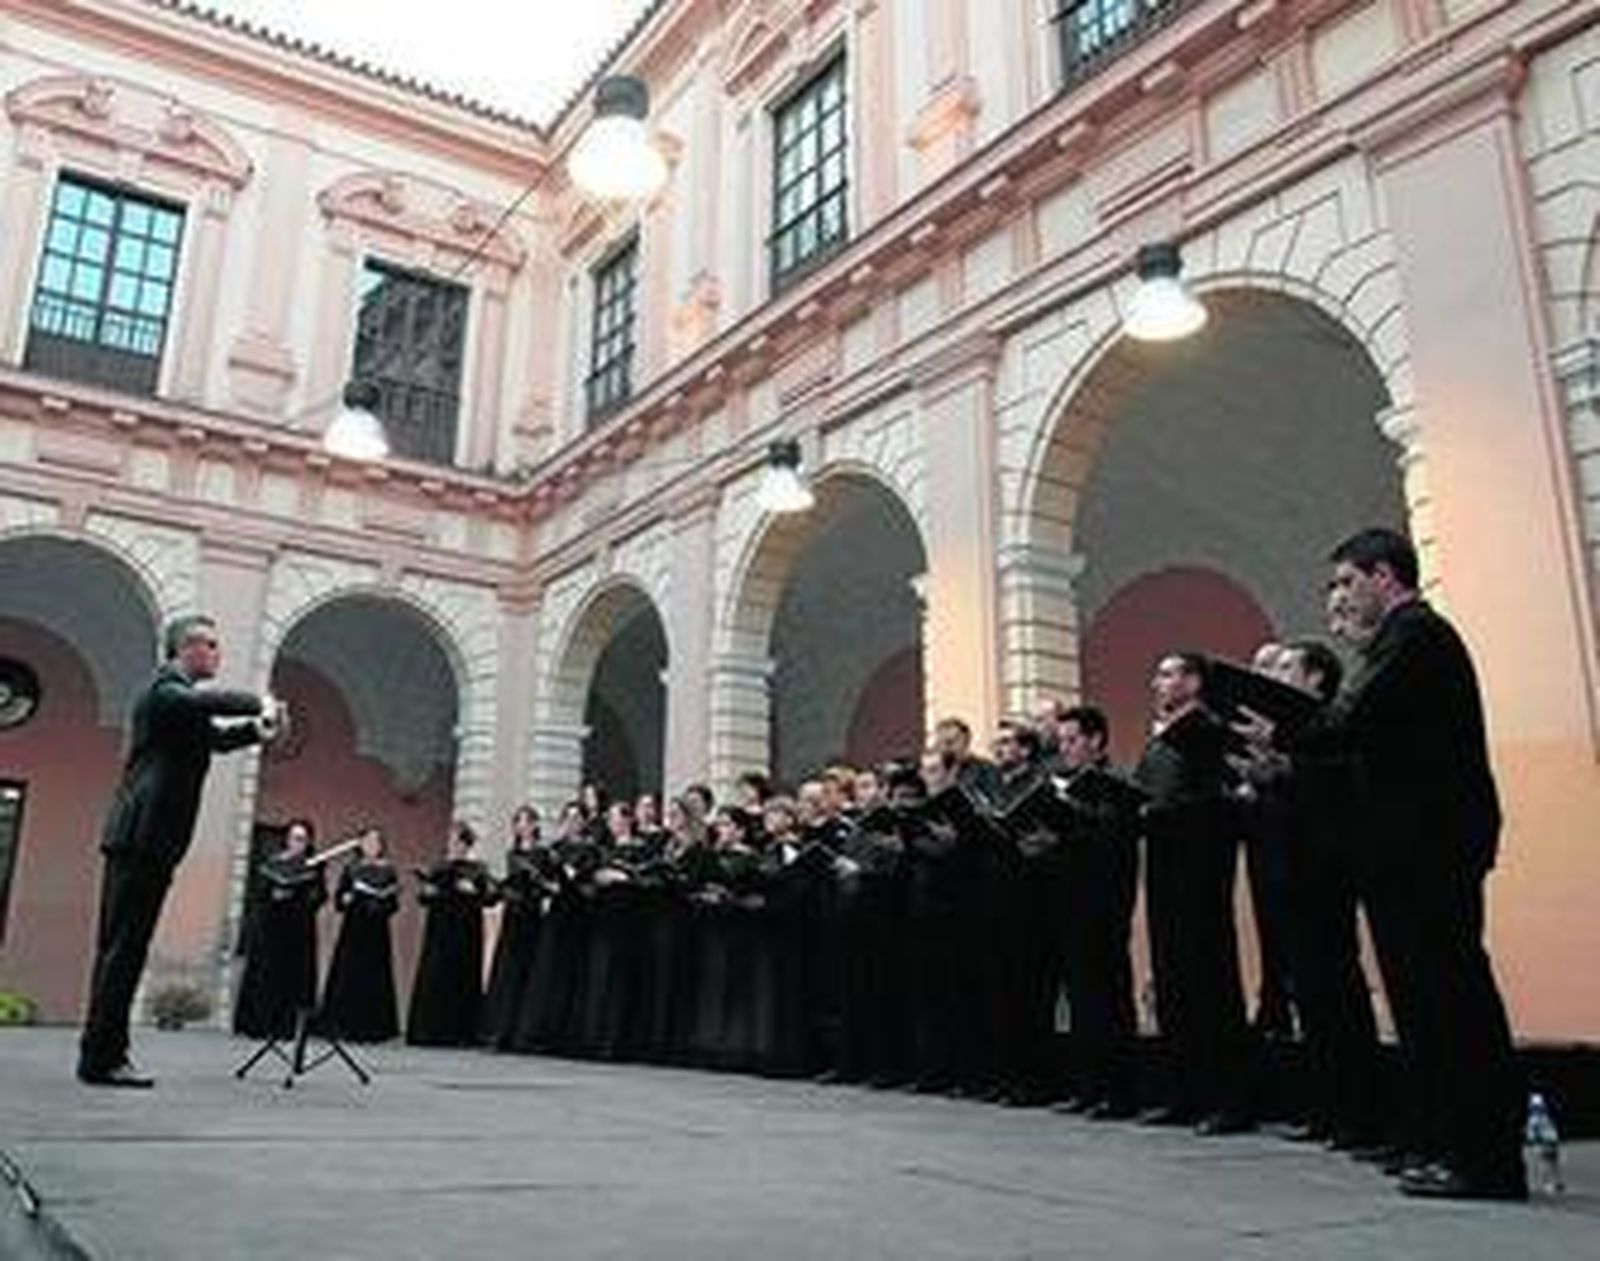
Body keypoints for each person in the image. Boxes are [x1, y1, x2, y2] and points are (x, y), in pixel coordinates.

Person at [1256, 528, 1525, 1199]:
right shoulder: (1398, 641)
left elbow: (1348, 721)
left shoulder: (1414, 635)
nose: (1336, 598)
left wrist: (1280, 729)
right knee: (1422, 1000)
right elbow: (1359, 746)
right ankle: (1443, 1141)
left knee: (1447, 997)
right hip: (1401, 843)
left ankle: (1485, 1155)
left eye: (1345, 581)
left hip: (1427, 842)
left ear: (1385, 575)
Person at [78, 614, 281, 1088]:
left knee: (122, 951)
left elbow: (218, 738)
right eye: (210, 645)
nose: (217, 653)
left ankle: (101, 1054)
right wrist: (259, 701)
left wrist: (260, 731)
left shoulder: (183, 708)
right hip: (141, 837)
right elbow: (207, 703)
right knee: (122, 952)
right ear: (185, 649)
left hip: (150, 840)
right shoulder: (165, 690)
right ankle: (104, 1058)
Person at [1134, 653, 1252, 1133]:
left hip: (1200, 866)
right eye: (1158, 673)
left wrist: (1168, 810)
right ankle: (1184, 1092)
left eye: (1169, 673)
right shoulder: (1159, 739)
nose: (1159, 682)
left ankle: (1226, 1099)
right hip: (1162, 865)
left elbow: (1223, 799)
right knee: (1173, 978)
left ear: (1195, 681)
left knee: (1210, 979)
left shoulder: (1211, 732)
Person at [1053, 705, 1142, 1118]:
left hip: (1104, 902)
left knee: (1109, 992)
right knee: (1081, 995)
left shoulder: (1116, 784)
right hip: (1069, 899)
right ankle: (1089, 1087)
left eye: (1072, 740)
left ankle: (1119, 1089)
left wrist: (1080, 820)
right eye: (1062, 741)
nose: (1065, 749)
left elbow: (1116, 845)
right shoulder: (1063, 786)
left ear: (1096, 741)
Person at [407, 822, 498, 1047]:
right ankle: (431, 1031)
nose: (453, 845)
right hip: (440, 928)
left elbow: (490, 899)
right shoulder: (439, 867)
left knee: (462, 977)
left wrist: (473, 890)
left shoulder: (478, 869)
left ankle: (460, 1033)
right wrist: (427, 891)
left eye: (458, 841)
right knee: (436, 975)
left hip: (465, 930)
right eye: (451, 841)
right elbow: (424, 899)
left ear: (467, 844)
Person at [232, 818, 325, 1039]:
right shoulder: (272, 863)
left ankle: (283, 1029)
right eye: (294, 838)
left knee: (290, 981)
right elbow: (259, 895)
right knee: (265, 978)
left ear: (308, 842)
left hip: (297, 934)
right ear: (287, 839)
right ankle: (258, 1026)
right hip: (270, 931)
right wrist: (275, 896)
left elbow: (320, 896)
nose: (297, 843)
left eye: (302, 839)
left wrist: (306, 894)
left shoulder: (313, 867)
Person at [319, 825, 401, 1043]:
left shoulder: (388, 870)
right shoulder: (351, 868)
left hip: (377, 931)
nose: (372, 846)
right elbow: (339, 899)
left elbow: (394, 904)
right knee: (348, 974)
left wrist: (381, 901)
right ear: (361, 845)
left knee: (374, 978)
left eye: (376, 842)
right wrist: (344, 899)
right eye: (368, 841)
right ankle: (341, 1026)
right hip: (353, 928)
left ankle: (372, 1029)